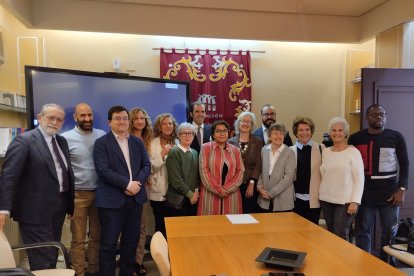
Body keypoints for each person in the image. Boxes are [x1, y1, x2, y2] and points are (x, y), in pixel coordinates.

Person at [0, 103, 75, 270]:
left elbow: (64, 173)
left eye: (59, 119)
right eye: (51, 118)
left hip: (58, 208)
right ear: (40, 118)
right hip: (34, 210)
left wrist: (70, 205)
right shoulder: (24, 141)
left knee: (53, 252)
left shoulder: (61, 141)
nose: (55, 122)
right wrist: (3, 210)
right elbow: (8, 177)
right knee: (43, 256)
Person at [93, 105, 151, 276]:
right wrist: (127, 185)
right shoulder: (101, 143)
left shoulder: (136, 142)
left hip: (135, 200)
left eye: (125, 118)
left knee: (130, 243)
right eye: (117, 118)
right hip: (111, 202)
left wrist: (136, 184)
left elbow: (146, 165)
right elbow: (103, 170)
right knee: (108, 245)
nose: (122, 121)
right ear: (109, 122)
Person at [349, 104, 409, 263]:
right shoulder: (355, 138)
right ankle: (365, 264)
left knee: (389, 232)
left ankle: (387, 264)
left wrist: (401, 189)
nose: (379, 117)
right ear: (367, 117)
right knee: (363, 231)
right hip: (365, 193)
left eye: (382, 114)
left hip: (390, 193)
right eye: (374, 114)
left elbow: (405, 163)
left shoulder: (396, 136)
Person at [61, 103, 105, 276]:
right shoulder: (65, 138)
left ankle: (93, 270)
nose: (87, 119)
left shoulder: (101, 135)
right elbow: (62, 170)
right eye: (83, 116)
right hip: (77, 195)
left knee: (96, 237)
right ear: (75, 117)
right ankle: (78, 272)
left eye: (89, 115)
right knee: (78, 240)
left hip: (101, 194)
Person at [319, 117, 364, 242]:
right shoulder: (326, 152)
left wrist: (355, 201)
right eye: (333, 130)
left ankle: (344, 261)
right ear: (330, 133)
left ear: (345, 133)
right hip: (326, 199)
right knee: (332, 235)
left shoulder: (353, 152)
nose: (337, 133)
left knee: (341, 235)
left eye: (340, 130)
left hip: (345, 202)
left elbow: (359, 179)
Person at [198, 120, 245, 215]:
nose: (222, 133)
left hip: (231, 194)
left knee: (231, 226)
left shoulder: (236, 150)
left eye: (224, 131)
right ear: (213, 134)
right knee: (210, 225)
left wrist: (227, 189)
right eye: (218, 131)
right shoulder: (205, 148)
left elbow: (240, 171)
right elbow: (204, 171)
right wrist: (218, 190)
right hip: (210, 194)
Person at [128, 107, 153, 276]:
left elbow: (150, 165)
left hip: (144, 188)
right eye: (136, 119)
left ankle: (138, 261)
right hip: (126, 188)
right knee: (128, 227)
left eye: (142, 119)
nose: (139, 122)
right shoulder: (124, 138)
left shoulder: (149, 139)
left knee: (141, 227)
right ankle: (128, 262)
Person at [148, 113, 178, 237]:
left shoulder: (177, 142)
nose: (167, 126)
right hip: (157, 191)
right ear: (159, 127)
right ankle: (160, 255)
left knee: (174, 226)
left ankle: (174, 254)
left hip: (175, 192)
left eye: (170, 123)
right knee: (160, 225)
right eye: (164, 124)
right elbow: (149, 167)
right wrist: (162, 154)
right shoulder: (151, 143)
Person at [290, 117, 323, 224]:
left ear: (311, 131)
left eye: (307, 129)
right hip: (295, 199)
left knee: (312, 233)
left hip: (314, 199)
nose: (304, 133)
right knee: (295, 233)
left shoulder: (321, 148)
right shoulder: (290, 151)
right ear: (296, 133)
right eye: (301, 130)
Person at [228, 112, 262, 213]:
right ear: (238, 123)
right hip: (234, 184)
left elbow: (258, 164)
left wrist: (251, 183)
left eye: (249, 122)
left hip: (250, 183)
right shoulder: (230, 141)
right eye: (243, 121)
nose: (246, 124)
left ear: (252, 125)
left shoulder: (258, 141)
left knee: (249, 212)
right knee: (235, 211)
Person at [257, 123, 295, 212]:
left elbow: (288, 177)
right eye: (275, 133)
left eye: (281, 133)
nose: (278, 136)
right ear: (269, 136)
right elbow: (260, 171)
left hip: (283, 198)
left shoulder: (290, 152)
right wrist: (259, 187)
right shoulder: (264, 150)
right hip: (264, 197)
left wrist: (271, 194)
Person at [166, 123, 200, 216]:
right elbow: (175, 180)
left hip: (193, 199)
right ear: (178, 135)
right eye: (184, 133)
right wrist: (190, 195)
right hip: (179, 200)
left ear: (193, 135)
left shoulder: (195, 152)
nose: (187, 136)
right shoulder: (174, 152)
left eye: (190, 133)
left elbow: (197, 176)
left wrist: (196, 191)